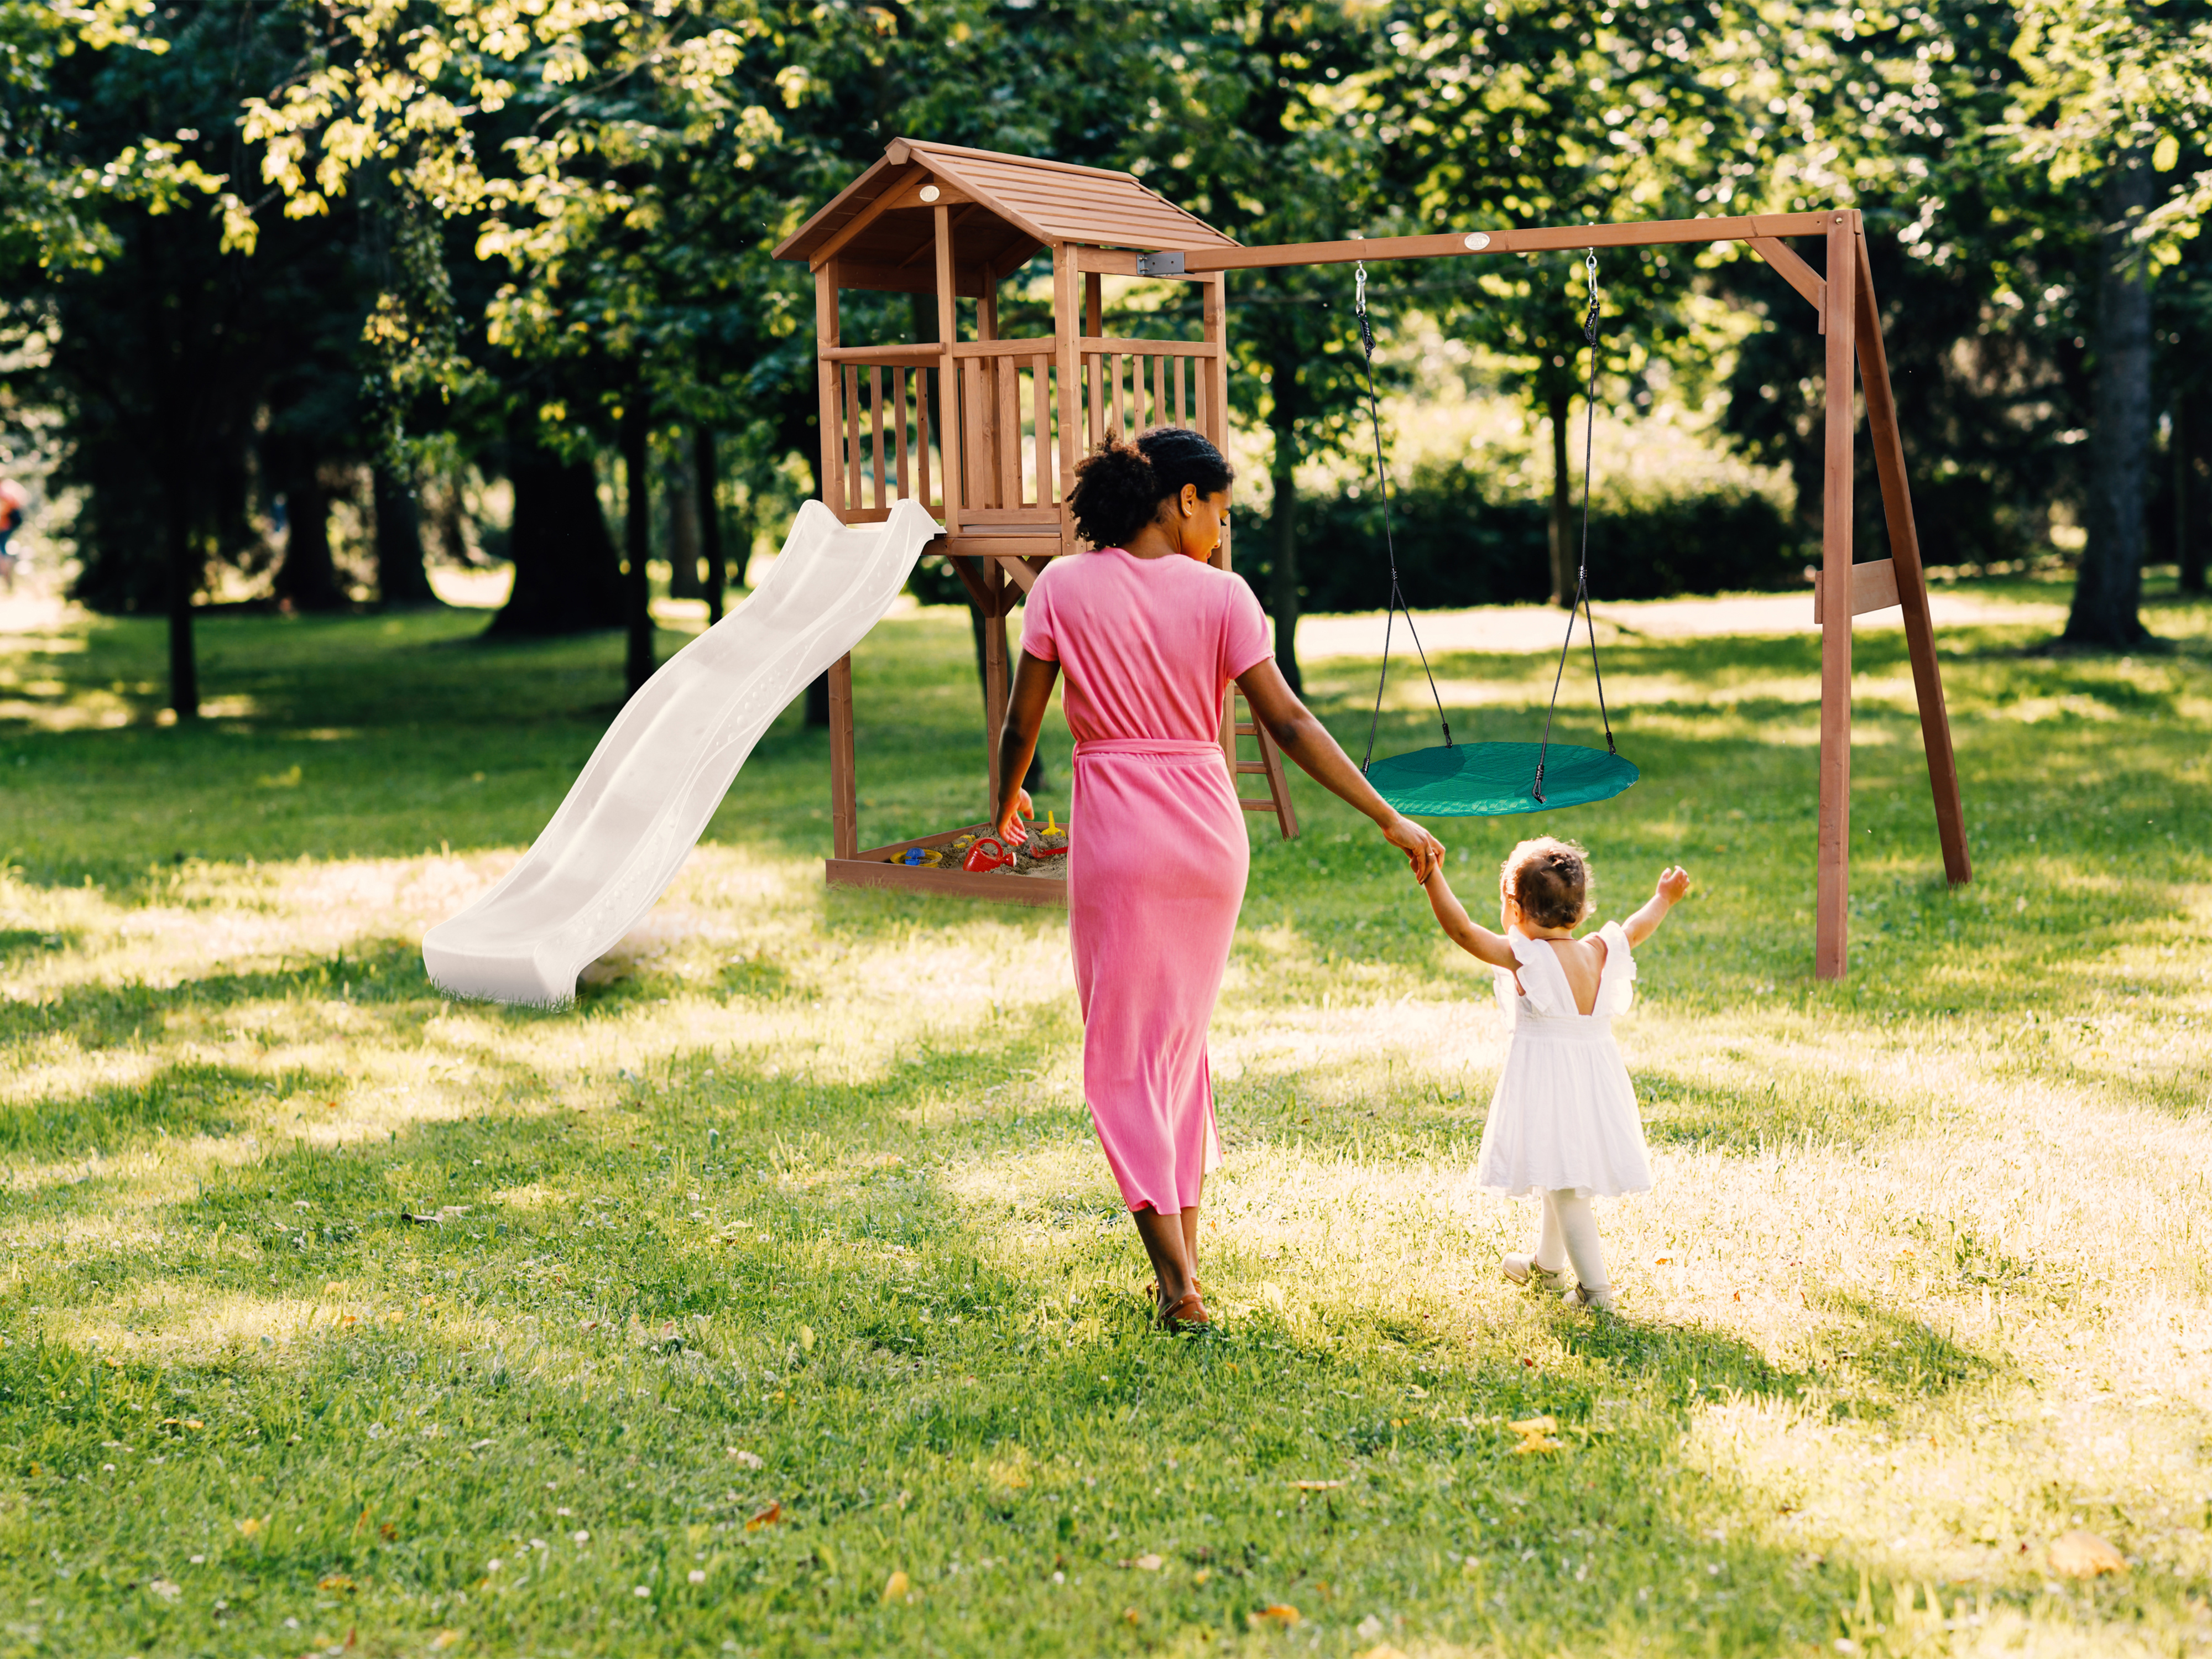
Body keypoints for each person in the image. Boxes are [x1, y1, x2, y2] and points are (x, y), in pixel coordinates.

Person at [994, 427, 1444, 1331]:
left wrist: (1003, 807)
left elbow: (1021, 724)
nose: (1223, 535)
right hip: (1208, 837)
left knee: (1124, 1059)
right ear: (1184, 499)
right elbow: (1288, 723)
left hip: (1120, 837)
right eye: (1222, 514)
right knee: (1176, 1052)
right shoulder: (1226, 598)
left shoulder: (1061, 588)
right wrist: (1386, 813)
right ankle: (1185, 1268)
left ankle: (1176, 1286)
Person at [1419, 837, 1691, 1311]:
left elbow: (1462, 931)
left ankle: (1596, 1293)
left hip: (1550, 1085)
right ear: (1581, 911)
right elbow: (1636, 927)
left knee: (1566, 1189)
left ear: (1515, 909)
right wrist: (1663, 898)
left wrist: (1431, 875)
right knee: (1556, 1170)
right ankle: (1547, 1267)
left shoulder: (1527, 958)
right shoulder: (1599, 950)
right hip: (1594, 1083)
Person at [0, 478, 27, 595]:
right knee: (3, 549)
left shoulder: (4, 491)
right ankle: (7, 577)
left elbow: (5, 509)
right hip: (10, 523)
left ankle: (6, 575)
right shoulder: (8, 486)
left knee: (2, 550)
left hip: (7, 524)